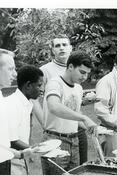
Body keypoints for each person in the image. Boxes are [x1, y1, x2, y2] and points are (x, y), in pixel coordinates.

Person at [41, 51, 97, 175]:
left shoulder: (78, 88)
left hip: (74, 141)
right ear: (70, 66)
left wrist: (89, 127)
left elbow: (73, 116)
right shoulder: (55, 83)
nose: (85, 77)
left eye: (87, 73)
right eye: (82, 72)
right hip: (55, 140)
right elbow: (54, 107)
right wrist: (84, 118)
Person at [33, 34, 89, 165]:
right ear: (52, 50)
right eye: (57, 46)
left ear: (70, 48)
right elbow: (35, 100)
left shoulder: (78, 69)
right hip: (56, 131)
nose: (62, 48)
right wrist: (45, 124)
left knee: (80, 168)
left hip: (76, 128)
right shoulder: (45, 71)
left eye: (64, 45)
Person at [5, 65, 44, 175]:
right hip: (11, 160)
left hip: (20, 158)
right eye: (39, 85)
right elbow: (12, 140)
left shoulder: (26, 103)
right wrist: (38, 149)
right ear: (28, 85)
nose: (42, 89)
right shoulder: (12, 104)